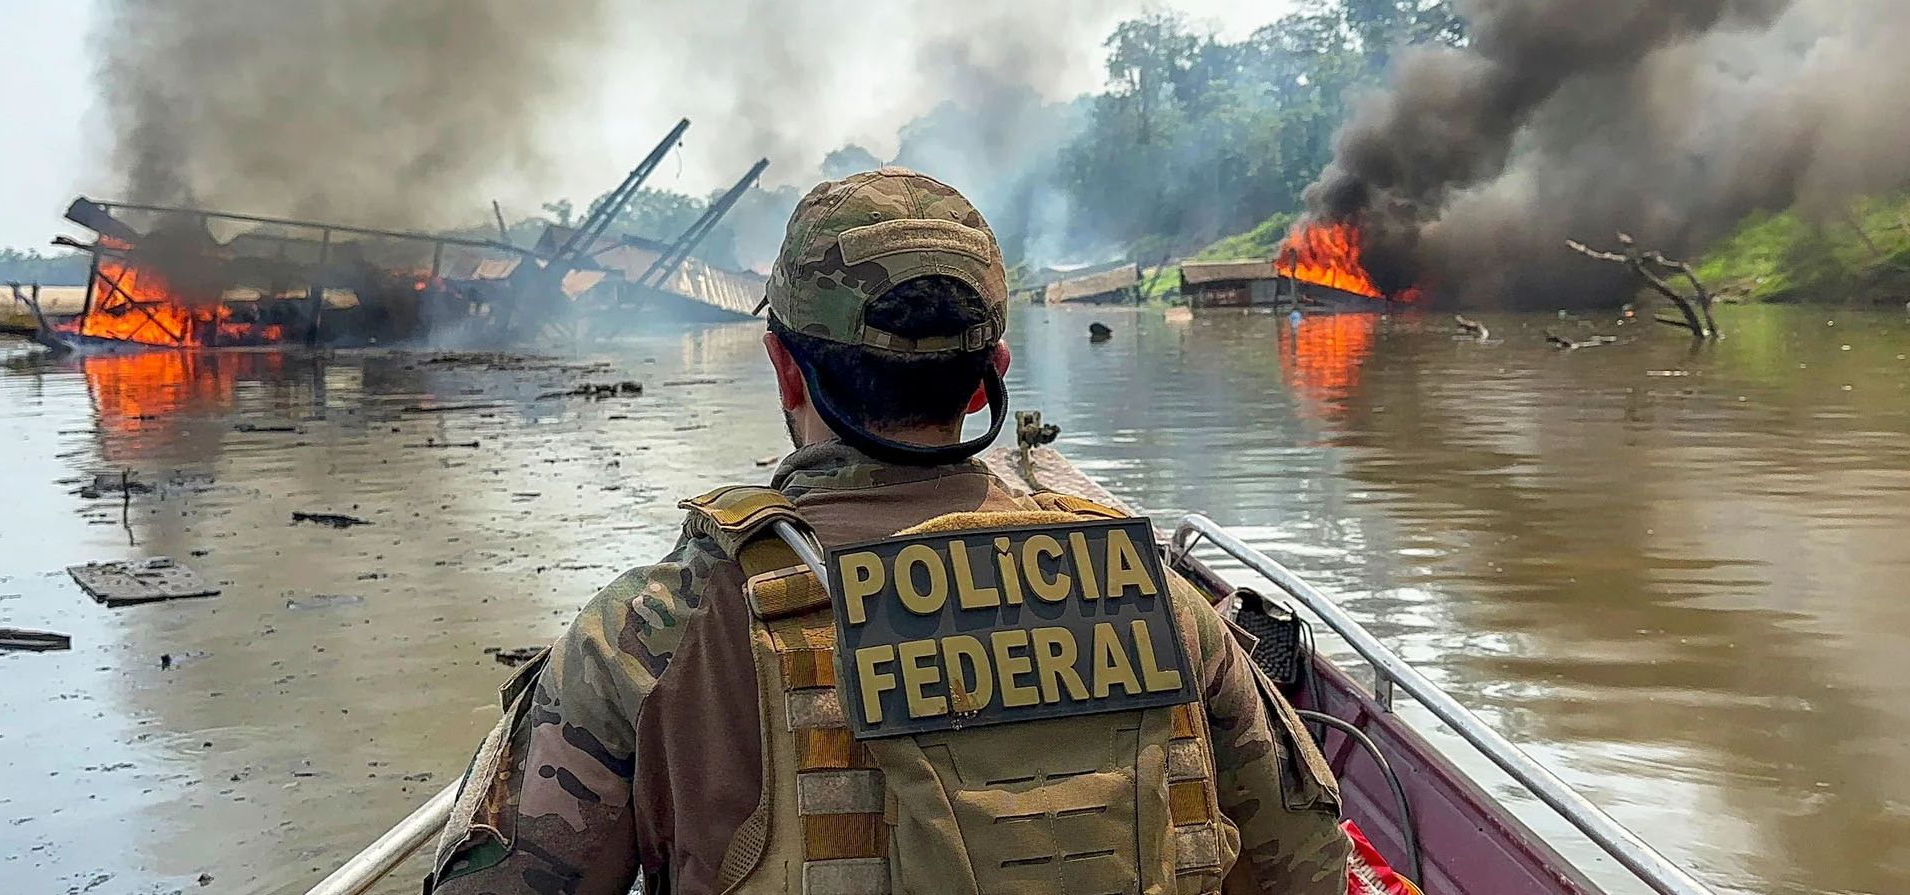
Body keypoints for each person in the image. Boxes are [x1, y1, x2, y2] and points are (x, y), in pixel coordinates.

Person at [429, 168, 1349, 895]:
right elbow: (1307, 865)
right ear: (994, 370)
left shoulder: (651, 633)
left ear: (785, 369)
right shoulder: (1158, 599)